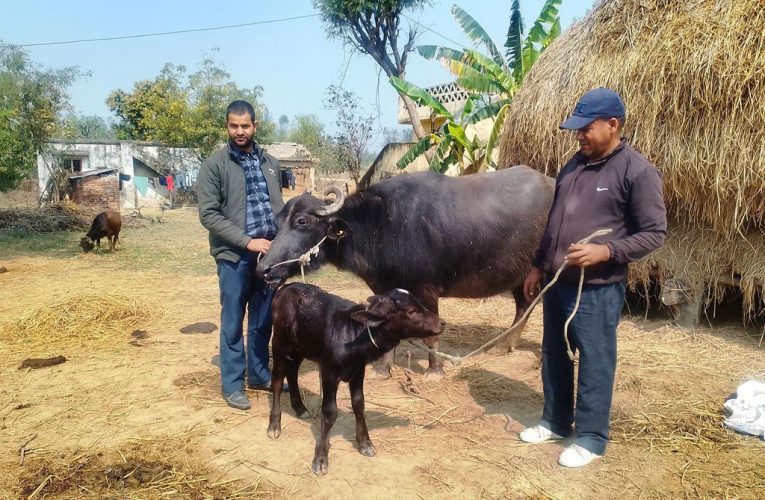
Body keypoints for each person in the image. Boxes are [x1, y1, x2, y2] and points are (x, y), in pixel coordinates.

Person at [520, 88, 667, 467]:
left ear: (613, 124)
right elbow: (554, 222)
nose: (579, 136)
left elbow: (655, 233)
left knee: (595, 360)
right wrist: (539, 263)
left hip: (597, 290)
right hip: (558, 284)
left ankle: (591, 437)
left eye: (586, 129)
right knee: (553, 355)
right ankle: (555, 421)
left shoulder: (637, 171)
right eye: (576, 130)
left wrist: (607, 251)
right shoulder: (573, 165)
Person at [198, 100, 285, 410]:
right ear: (227, 127)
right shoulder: (214, 165)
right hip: (234, 257)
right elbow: (208, 215)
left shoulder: (270, 162)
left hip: (269, 256)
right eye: (233, 126)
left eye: (244, 126)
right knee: (233, 321)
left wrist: (283, 241)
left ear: (255, 126)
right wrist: (248, 242)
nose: (239, 131)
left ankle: (260, 374)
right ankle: (233, 384)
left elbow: (278, 208)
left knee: (263, 320)